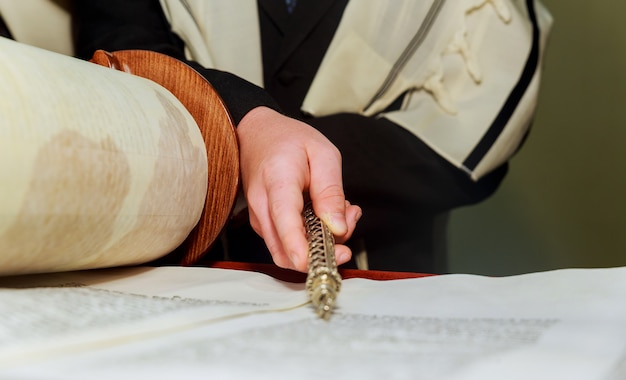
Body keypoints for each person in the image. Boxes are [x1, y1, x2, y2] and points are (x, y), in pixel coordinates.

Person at [71, 0, 552, 273]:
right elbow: (121, 54)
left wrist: (267, 144)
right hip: (179, 271)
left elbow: (463, 144)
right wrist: (248, 124)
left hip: (376, 275)